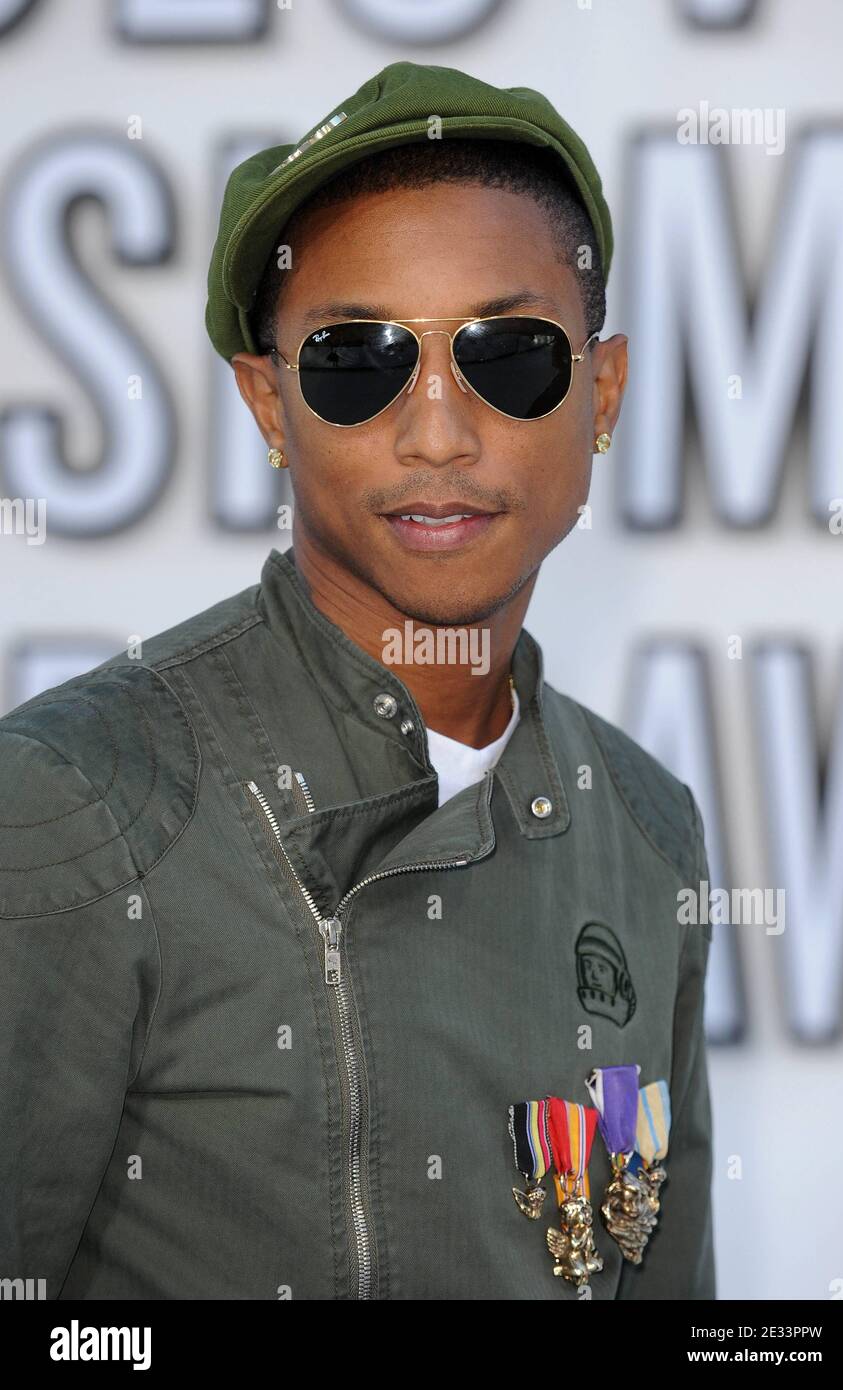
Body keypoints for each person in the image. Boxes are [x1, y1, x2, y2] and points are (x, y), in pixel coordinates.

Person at [0, 61, 715, 1300]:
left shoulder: (646, 835)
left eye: (507, 354)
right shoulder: (74, 802)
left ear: (599, 393)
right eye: (353, 359)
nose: (435, 430)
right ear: (268, 404)